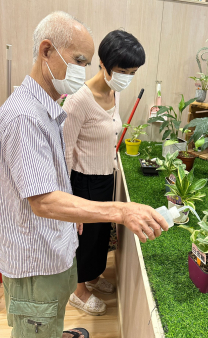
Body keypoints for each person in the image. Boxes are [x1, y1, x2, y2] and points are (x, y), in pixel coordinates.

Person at [0, 11, 168, 338]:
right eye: (78, 60)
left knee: (52, 310)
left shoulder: (47, 108)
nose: (82, 70)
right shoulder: (24, 117)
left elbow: (55, 172)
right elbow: (43, 201)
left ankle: (53, 329)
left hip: (53, 248)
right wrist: (121, 210)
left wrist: (73, 208)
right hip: (35, 261)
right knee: (39, 319)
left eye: (85, 63)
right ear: (46, 51)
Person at [63, 30, 145, 315]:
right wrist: (70, 204)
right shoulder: (77, 101)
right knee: (84, 239)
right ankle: (78, 291)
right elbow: (63, 154)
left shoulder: (115, 92)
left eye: (132, 72)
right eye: (123, 70)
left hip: (104, 177)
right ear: (104, 63)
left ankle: (94, 277)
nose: (127, 77)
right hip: (82, 182)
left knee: (99, 236)